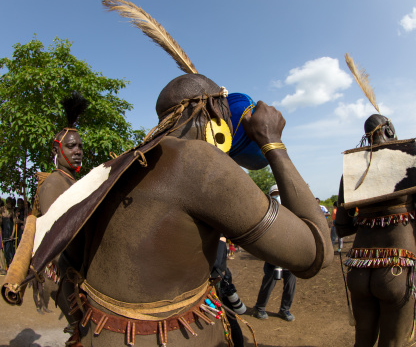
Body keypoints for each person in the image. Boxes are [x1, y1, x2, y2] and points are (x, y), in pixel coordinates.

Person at [34, 74, 332, 346]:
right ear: (214, 111)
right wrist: (272, 141)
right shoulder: (201, 163)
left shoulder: (122, 163)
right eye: (226, 112)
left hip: (95, 334)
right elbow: (315, 252)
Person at [335, 114, 416, 347]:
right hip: (396, 268)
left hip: (359, 269)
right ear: (391, 131)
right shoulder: (410, 159)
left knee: (362, 343)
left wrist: (367, 220)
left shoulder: (353, 169)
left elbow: (342, 228)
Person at [31, 91, 88, 315]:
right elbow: (55, 236)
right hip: (68, 275)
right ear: (56, 150)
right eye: (71, 147)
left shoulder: (71, 181)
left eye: (80, 147)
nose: (77, 152)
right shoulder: (54, 184)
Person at [253, 185, 297, 322]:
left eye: (280, 193)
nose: (278, 196)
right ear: (271, 197)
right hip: (273, 256)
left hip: (290, 256)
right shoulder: (267, 216)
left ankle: (285, 310)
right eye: (275, 194)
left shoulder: (292, 215)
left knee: (290, 284)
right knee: (269, 282)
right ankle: (259, 308)